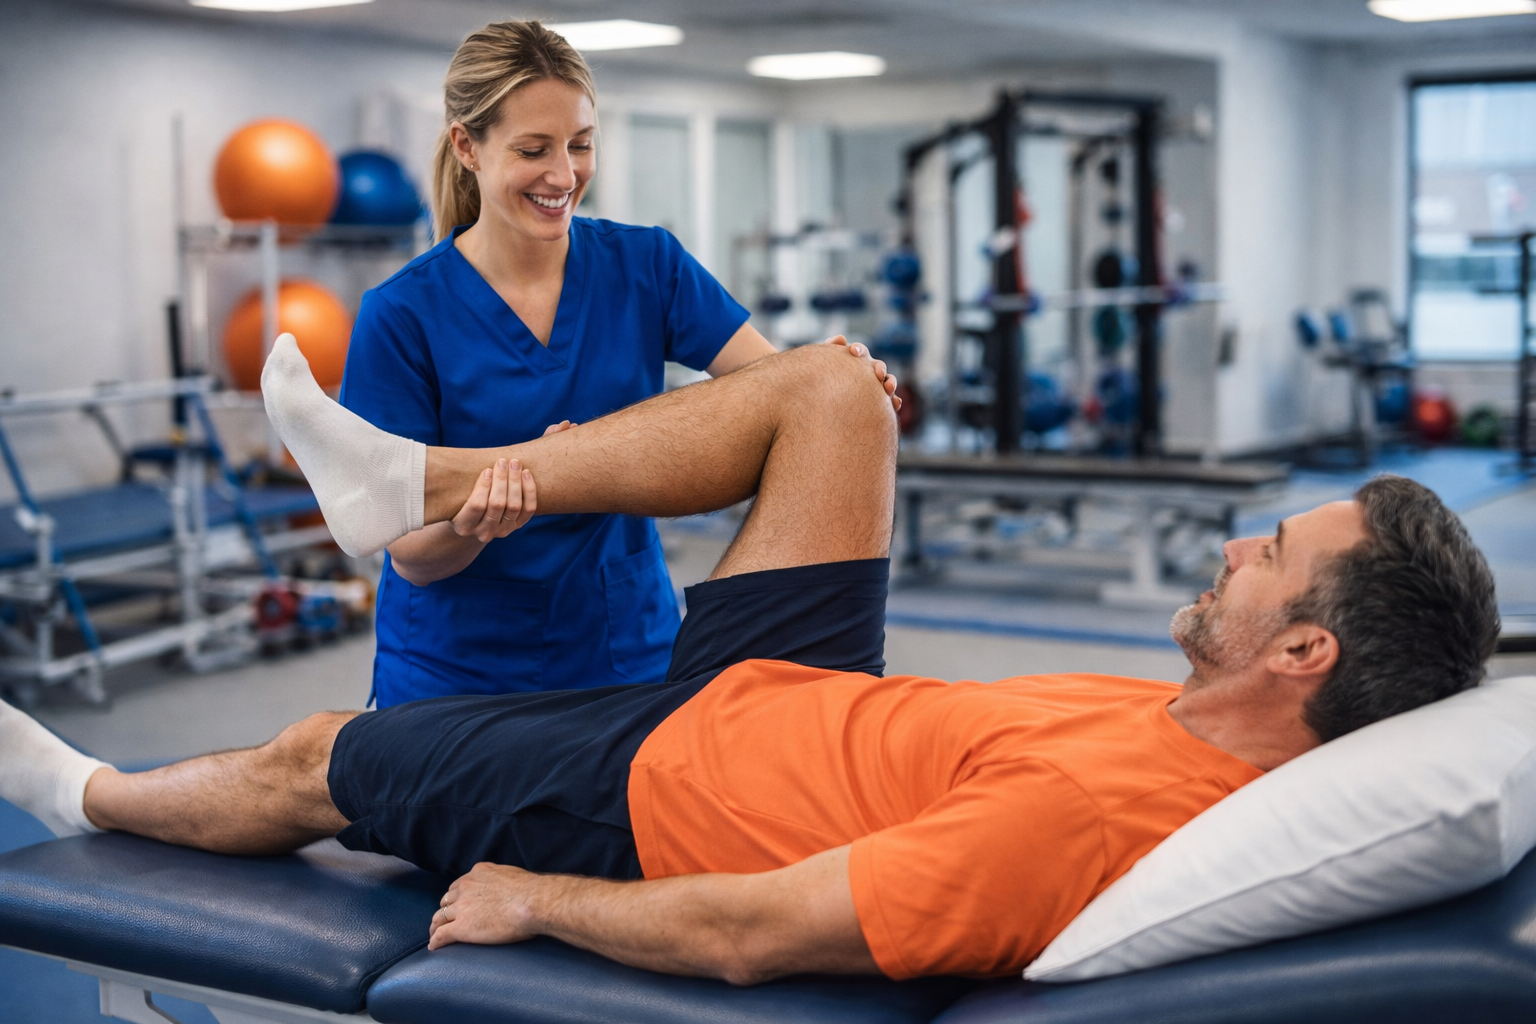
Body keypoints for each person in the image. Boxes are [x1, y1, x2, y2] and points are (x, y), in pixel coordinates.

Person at [0, 338, 1499, 983]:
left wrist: (543, 899)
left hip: (659, 792)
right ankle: (422, 487)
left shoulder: (1091, 823)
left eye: (1272, 553)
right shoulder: (1215, 718)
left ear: (1304, 649)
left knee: (316, 753)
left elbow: (756, 935)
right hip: (802, 701)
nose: (1236, 542)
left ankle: (91, 802)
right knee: (839, 395)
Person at [338, 20, 897, 705]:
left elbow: (771, 397)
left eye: (581, 145)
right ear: (467, 146)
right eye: (533, 149)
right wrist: (470, 522)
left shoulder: (646, 265)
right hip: (458, 674)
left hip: (623, 648)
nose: (564, 175)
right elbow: (411, 555)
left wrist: (835, 388)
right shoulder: (401, 313)